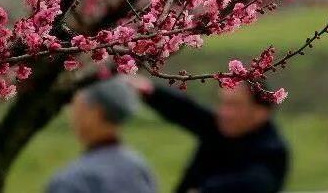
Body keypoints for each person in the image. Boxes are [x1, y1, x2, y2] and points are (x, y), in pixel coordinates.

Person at [130, 76, 289, 193]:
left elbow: (257, 183)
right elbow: (185, 110)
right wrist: (146, 90)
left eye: (234, 105)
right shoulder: (220, 127)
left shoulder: (271, 150)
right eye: (223, 103)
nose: (224, 112)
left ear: (261, 112)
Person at [47, 76, 157, 193]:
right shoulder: (139, 169)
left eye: (75, 104)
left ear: (95, 112)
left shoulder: (74, 180)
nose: (71, 112)